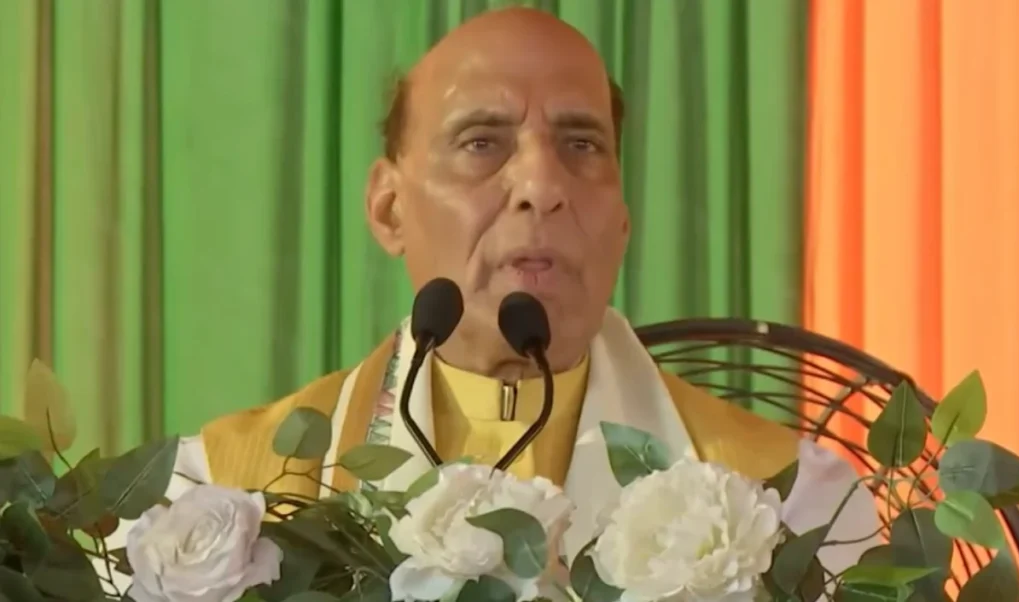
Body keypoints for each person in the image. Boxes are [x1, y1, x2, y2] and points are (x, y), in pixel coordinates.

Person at [105, 5, 880, 594]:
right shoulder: (210, 510)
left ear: (621, 222)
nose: (541, 184)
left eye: (581, 144)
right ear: (388, 209)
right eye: (482, 142)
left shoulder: (797, 510)